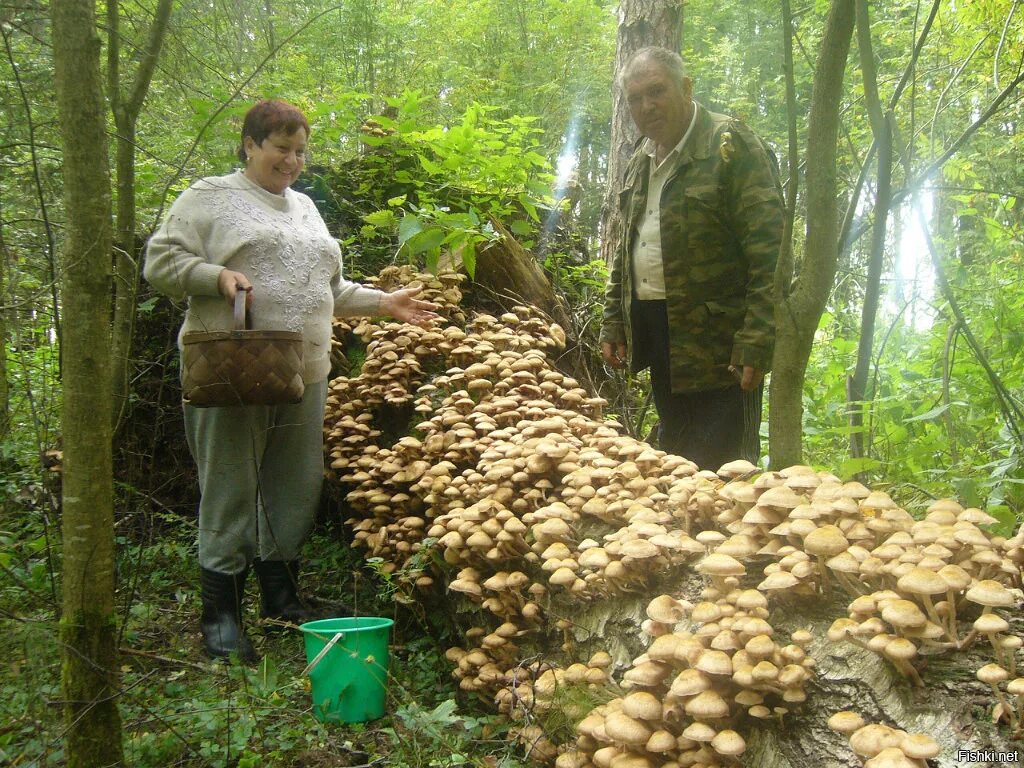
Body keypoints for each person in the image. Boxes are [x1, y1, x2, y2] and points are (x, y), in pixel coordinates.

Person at [144, 99, 438, 661]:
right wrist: (215, 275)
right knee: (230, 486)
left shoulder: (305, 208)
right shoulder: (209, 198)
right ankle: (222, 615)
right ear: (251, 145)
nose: (292, 160)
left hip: (304, 374)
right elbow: (159, 263)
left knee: (294, 484)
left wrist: (384, 302)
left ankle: (280, 597)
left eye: (300, 150)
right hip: (233, 373)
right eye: (281, 147)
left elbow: (328, 291)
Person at [600, 47, 782, 471]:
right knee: (676, 457)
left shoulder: (731, 146)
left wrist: (757, 338)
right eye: (635, 98)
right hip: (660, 334)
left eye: (657, 91)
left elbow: (770, 252)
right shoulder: (639, 162)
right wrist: (615, 318)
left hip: (722, 346)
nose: (646, 106)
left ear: (685, 88)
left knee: (721, 468)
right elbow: (627, 250)